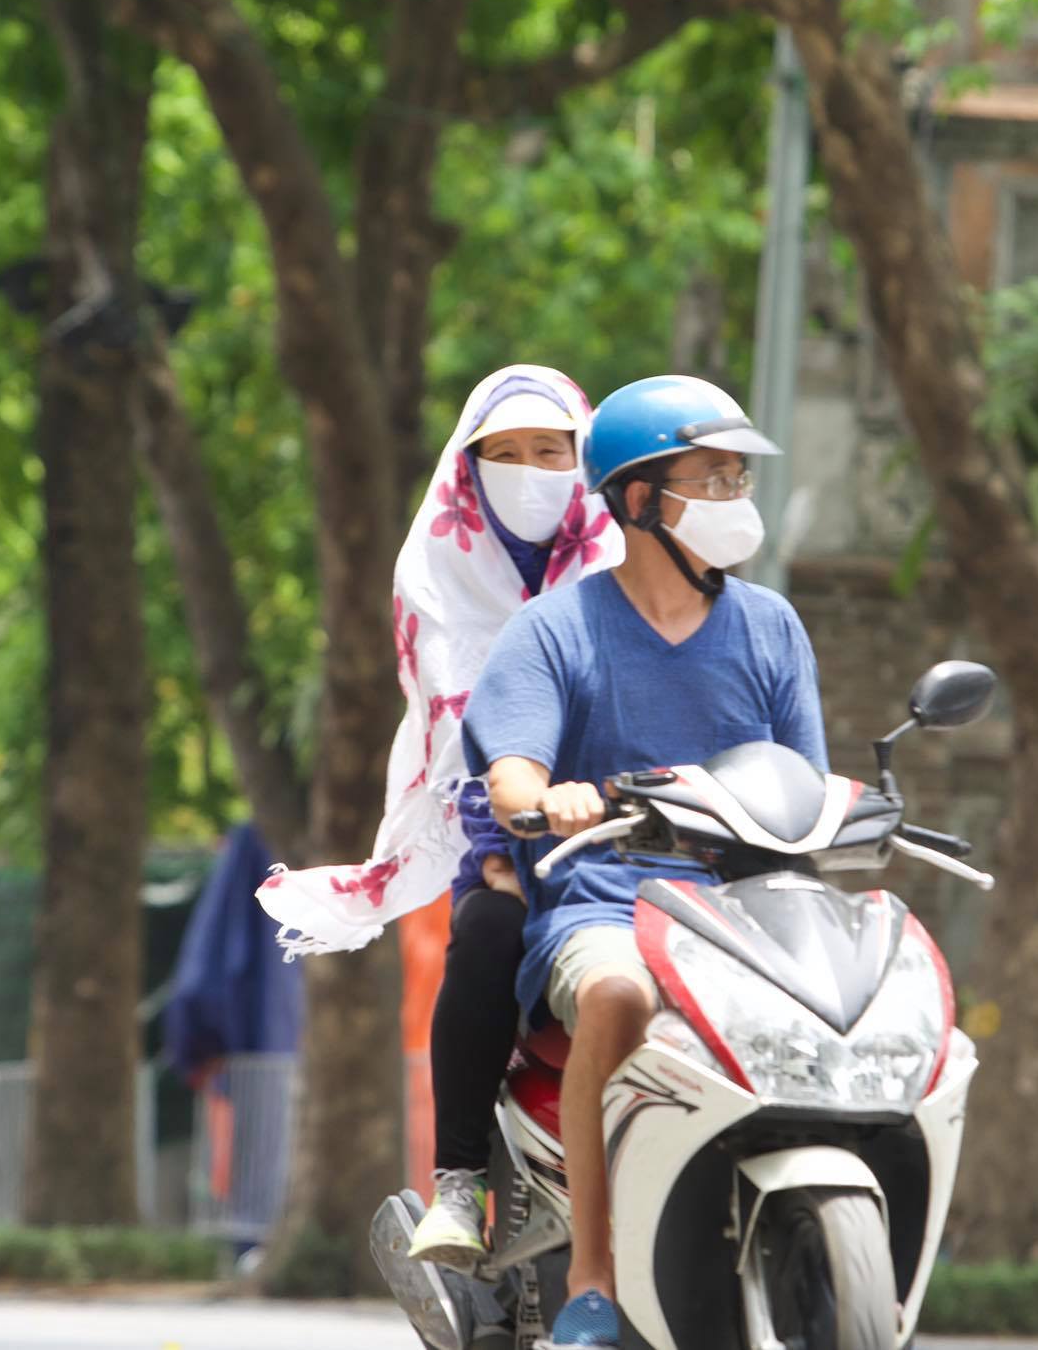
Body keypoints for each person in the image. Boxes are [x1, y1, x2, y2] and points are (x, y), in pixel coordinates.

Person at [461, 375, 826, 1349]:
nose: (733, 495)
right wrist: (544, 797)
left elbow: (808, 780)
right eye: (709, 477)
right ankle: (590, 1277)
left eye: (737, 476)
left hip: (755, 912)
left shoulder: (771, 628)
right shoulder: (555, 631)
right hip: (605, 904)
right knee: (618, 996)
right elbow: (510, 774)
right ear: (634, 500)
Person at [253, 364, 625, 1266]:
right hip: (510, 836)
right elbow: (466, 737)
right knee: (491, 927)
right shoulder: (440, 580)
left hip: (647, 843)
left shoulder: (638, 570)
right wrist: (517, 829)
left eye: (552, 452)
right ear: (469, 466)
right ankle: (460, 1179)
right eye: (507, 454)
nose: (532, 470)